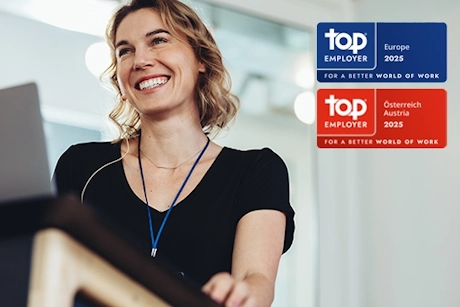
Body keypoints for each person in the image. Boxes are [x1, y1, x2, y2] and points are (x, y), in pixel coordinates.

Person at [53, 0, 295, 306]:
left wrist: (242, 294)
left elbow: (255, 279)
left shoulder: (256, 171)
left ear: (200, 59)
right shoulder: (81, 166)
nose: (140, 60)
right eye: (125, 50)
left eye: (158, 40)